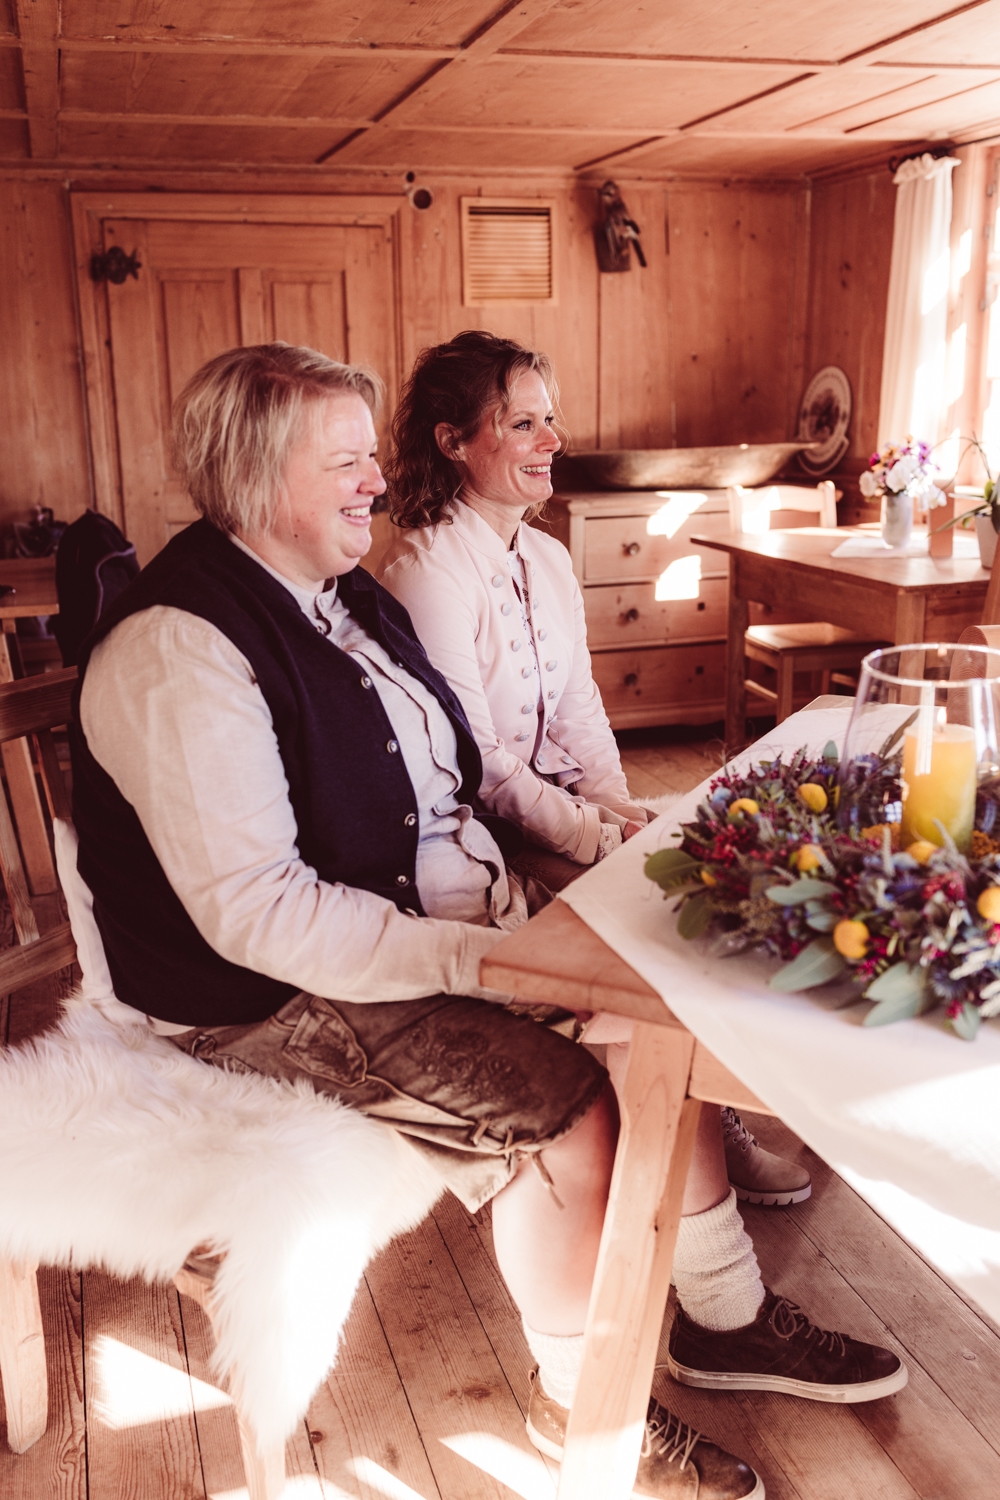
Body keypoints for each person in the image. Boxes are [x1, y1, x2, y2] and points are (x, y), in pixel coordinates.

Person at [70, 343, 905, 1500]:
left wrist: (536, 900)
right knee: (565, 1112)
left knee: (659, 1009)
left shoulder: (334, 591)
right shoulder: (179, 651)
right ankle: (584, 1405)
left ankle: (722, 1317)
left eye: (373, 452)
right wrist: (494, 960)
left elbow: (445, 788)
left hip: (404, 930)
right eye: (348, 461)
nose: (378, 479)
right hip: (258, 1000)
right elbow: (262, 919)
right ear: (260, 478)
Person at [377, 330, 811, 1209]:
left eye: (552, 420)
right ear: (455, 441)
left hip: (557, 801)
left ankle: (700, 1115)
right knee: (663, 911)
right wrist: (594, 833)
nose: (553, 441)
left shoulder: (545, 555)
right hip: (474, 825)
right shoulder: (426, 569)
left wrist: (618, 806)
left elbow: (579, 708)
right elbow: (478, 762)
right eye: (524, 423)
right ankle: (695, 1141)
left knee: (701, 863)